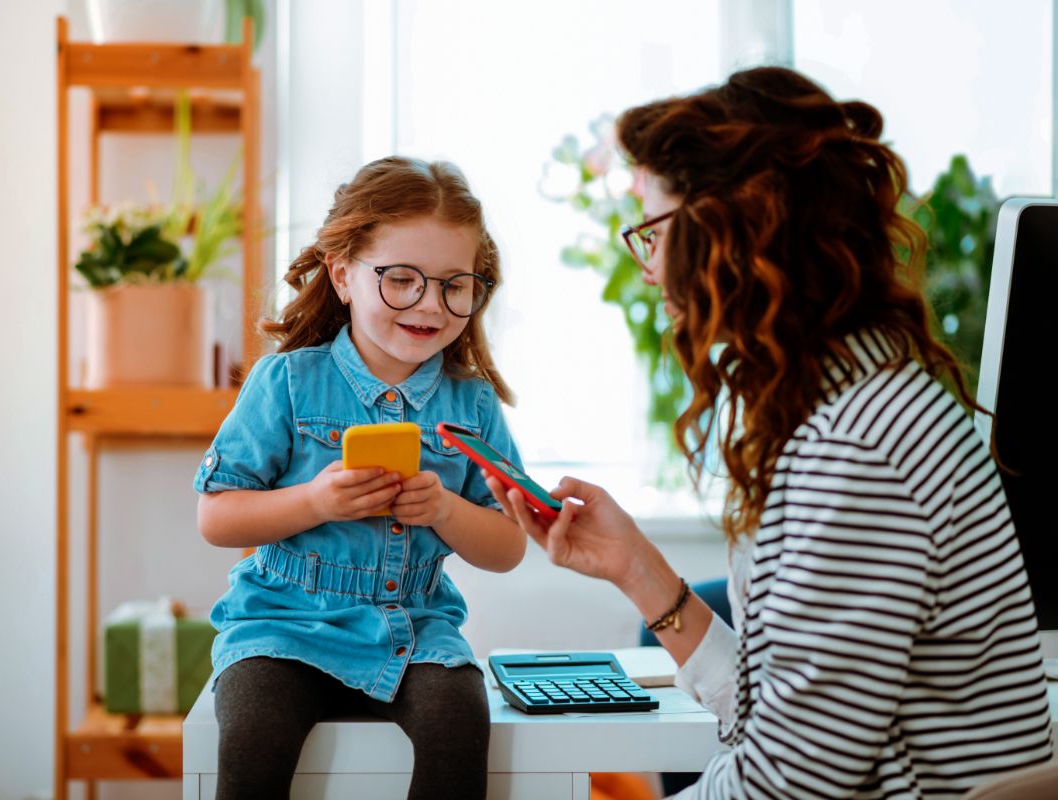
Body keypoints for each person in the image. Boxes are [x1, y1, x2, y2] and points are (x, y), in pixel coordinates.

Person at [487, 67, 1054, 798]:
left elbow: (790, 785)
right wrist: (635, 568)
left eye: (652, 234)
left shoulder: (857, 447)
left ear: (737, 229)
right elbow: (775, 728)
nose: (649, 270)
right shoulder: (838, 409)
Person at [194, 156, 525, 799]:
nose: (430, 303)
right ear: (344, 276)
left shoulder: (473, 403)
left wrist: (448, 513)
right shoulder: (287, 382)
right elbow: (217, 517)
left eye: (455, 284)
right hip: (282, 626)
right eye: (402, 280)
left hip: (416, 628)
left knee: (459, 720)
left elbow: (508, 546)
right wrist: (315, 500)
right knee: (254, 736)